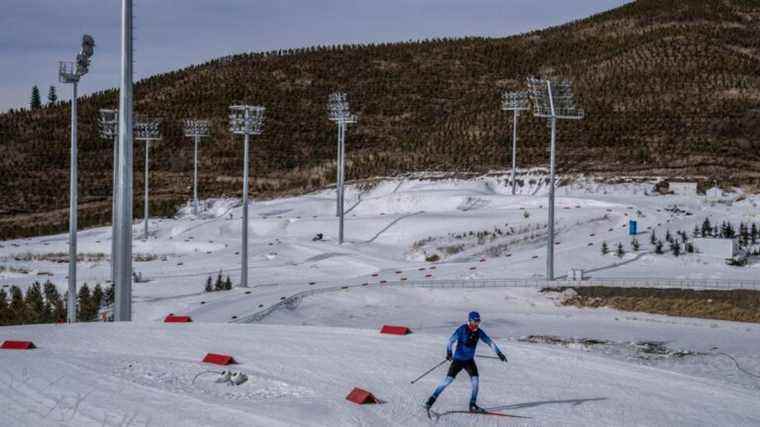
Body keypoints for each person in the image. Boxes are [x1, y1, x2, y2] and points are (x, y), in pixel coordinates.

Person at [424, 311, 507, 413]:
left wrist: (499, 353)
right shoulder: (462, 329)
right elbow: (450, 341)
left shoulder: (479, 332)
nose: (477, 323)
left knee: (475, 381)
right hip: (458, 360)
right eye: (475, 321)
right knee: (447, 381)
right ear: (470, 320)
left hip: (469, 361)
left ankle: (472, 405)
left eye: (478, 321)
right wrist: (449, 352)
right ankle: (431, 400)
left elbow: (489, 342)